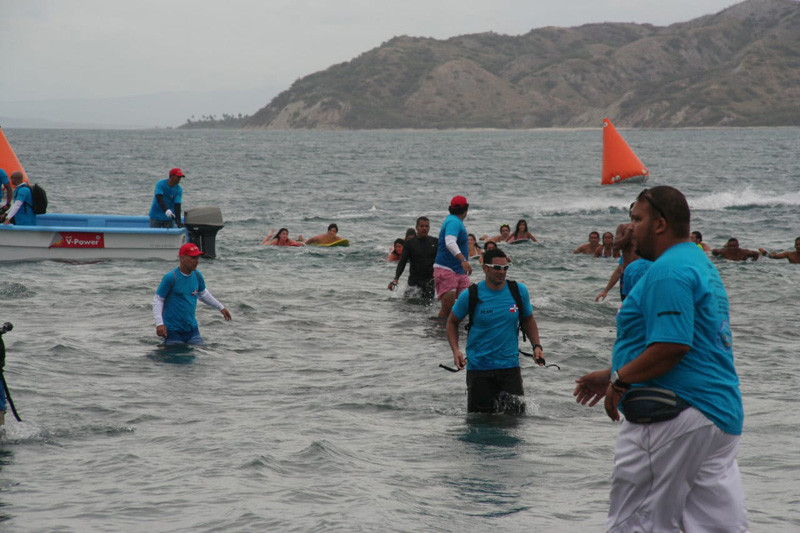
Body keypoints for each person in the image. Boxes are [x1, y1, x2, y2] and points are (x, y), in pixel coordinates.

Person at [574, 186, 748, 532]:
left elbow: (672, 346)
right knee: (716, 526)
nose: (631, 228)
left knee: (636, 522)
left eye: (637, 219)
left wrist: (621, 381)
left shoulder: (668, 271)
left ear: (660, 224)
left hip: (672, 414)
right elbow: (693, 344)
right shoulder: (700, 263)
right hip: (718, 415)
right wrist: (611, 373)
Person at [446, 247, 546, 413]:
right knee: (480, 426)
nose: (502, 272)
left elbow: (528, 319)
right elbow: (451, 322)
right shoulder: (471, 295)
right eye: (497, 268)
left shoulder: (518, 291)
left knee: (515, 424)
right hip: (479, 369)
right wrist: (456, 350)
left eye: (505, 268)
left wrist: (537, 346)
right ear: (485, 268)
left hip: (510, 368)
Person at [153, 242, 232, 345]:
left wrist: (221, 307)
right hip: (173, 330)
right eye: (193, 258)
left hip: (192, 329)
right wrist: (159, 324)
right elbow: (158, 300)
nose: (196, 261)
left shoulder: (197, 275)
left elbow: (203, 294)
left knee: (200, 354)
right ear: (182, 258)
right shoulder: (171, 278)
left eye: (197, 258)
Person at [433, 196, 473, 318]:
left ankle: (459, 333)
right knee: (447, 309)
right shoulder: (454, 222)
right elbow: (450, 242)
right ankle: (438, 334)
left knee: (467, 305)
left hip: (459, 271)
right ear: (466, 209)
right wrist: (463, 260)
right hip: (446, 270)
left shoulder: (454, 221)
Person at [595, 223, 651, 302]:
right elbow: (618, 271)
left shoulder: (647, 228)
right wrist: (605, 290)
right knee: (627, 303)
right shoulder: (625, 256)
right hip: (626, 277)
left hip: (643, 275)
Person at [389, 216, 438, 298]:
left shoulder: (435, 242)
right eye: (422, 226)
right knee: (408, 307)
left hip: (429, 282)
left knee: (428, 308)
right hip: (413, 282)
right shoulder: (409, 244)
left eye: (427, 226)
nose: (424, 228)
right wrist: (396, 279)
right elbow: (402, 262)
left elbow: (442, 260)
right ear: (417, 228)